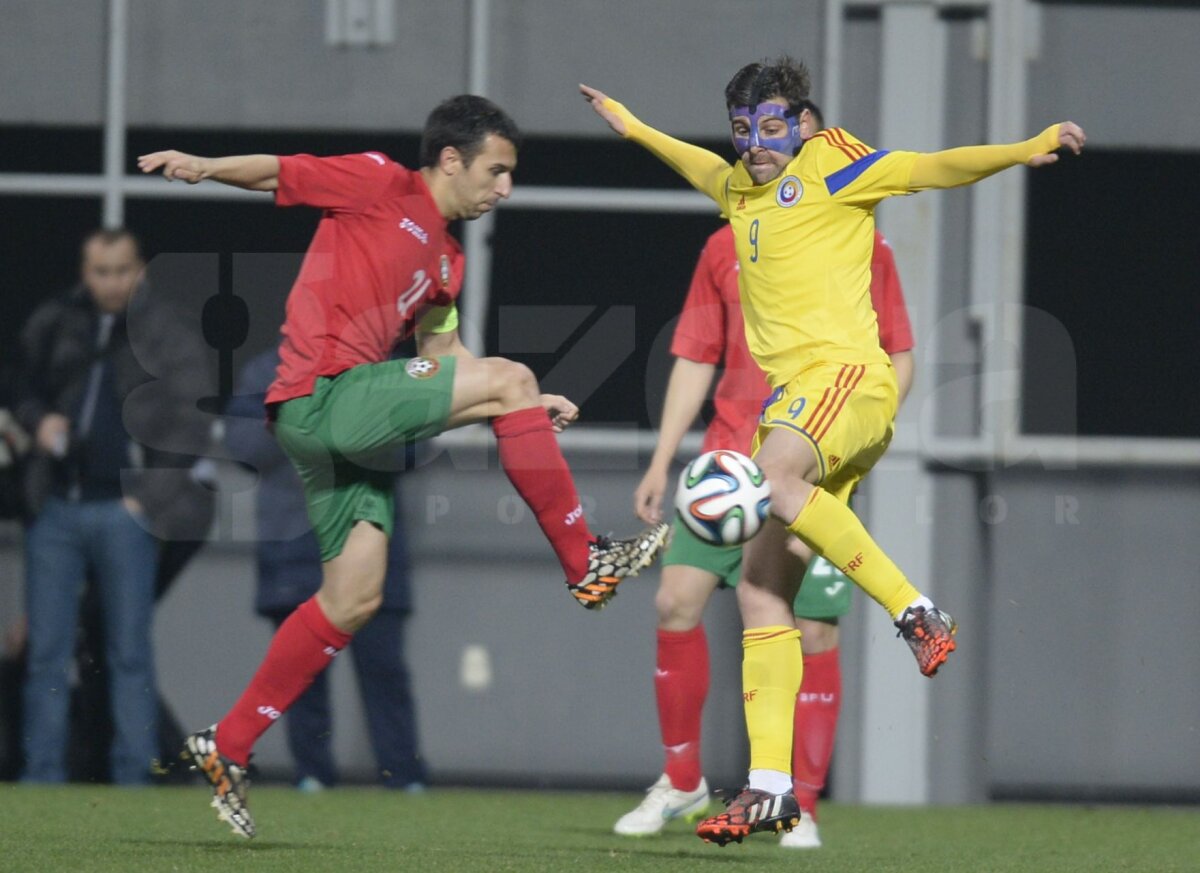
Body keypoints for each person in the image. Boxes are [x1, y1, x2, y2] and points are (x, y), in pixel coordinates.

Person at [582, 58, 1085, 844]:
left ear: (804, 122)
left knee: (775, 477)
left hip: (846, 379)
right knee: (759, 592)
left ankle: (915, 608)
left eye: (772, 124)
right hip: (800, 404)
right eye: (744, 128)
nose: (756, 142)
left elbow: (928, 168)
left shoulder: (834, 164)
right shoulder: (736, 192)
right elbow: (700, 164)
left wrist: (1023, 148)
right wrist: (637, 126)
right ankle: (774, 787)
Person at [139, 94, 668, 837]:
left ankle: (227, 742)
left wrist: (518, 403)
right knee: (508, 381)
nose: (505, 189)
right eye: (498, 170)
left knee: (353, 598)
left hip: (333, 432)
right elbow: (279, 173)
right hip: (323, 395)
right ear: (451, 158)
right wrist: (203, 167)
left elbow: (445, 360)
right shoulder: (382, 182)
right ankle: (585, 563)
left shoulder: (447, 261)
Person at [616, 127, 914, 848]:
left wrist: (856, 444)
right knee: (675, 600)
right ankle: (683, 778)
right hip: (726, 461)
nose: (772, 151)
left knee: (809, 627)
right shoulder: (726, 243)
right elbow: (694, 355)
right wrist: (662, 460)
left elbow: (898, 354)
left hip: (810, 455)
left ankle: (798, 802)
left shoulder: (861, 240)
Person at [14, 228, 212, 785]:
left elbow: (192, 420)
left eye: (121, 270)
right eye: (100, 272)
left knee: (129, 653)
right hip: (54, 506)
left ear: (140, 270)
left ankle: (133, 777)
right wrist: (37, 421)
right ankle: (41, 777)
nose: (110, 282)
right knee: (47, 653)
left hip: (125, 513)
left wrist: (147, 499)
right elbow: (19, 384)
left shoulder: (166, 333)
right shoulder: (55, 321)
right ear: (85, 272)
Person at [225, 348, 426, 792]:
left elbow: (417, 445)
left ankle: (405, 777)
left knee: (384, 668)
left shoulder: (384, 361)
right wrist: (299, 418)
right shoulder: (268, 367)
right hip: (293, 540)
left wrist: (356, 428)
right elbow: (241, 445)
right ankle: (312, 774)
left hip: (369, 536)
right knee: (300, 672)